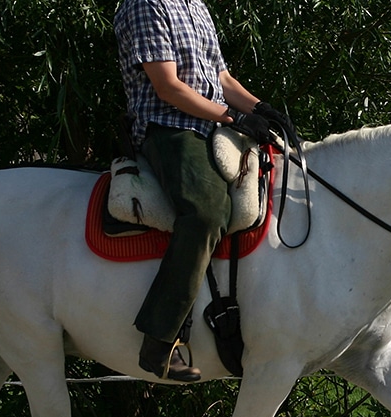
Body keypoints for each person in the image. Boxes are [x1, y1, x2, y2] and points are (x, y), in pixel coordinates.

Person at [114, 0, 289, 382]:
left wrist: (263, 109)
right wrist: (236, 117)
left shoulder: (194, 5)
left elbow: (222, 79)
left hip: (212, 127)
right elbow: (168, 87)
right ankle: (160, 339)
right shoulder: (145, 5)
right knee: (206, 214)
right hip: (170, 129)